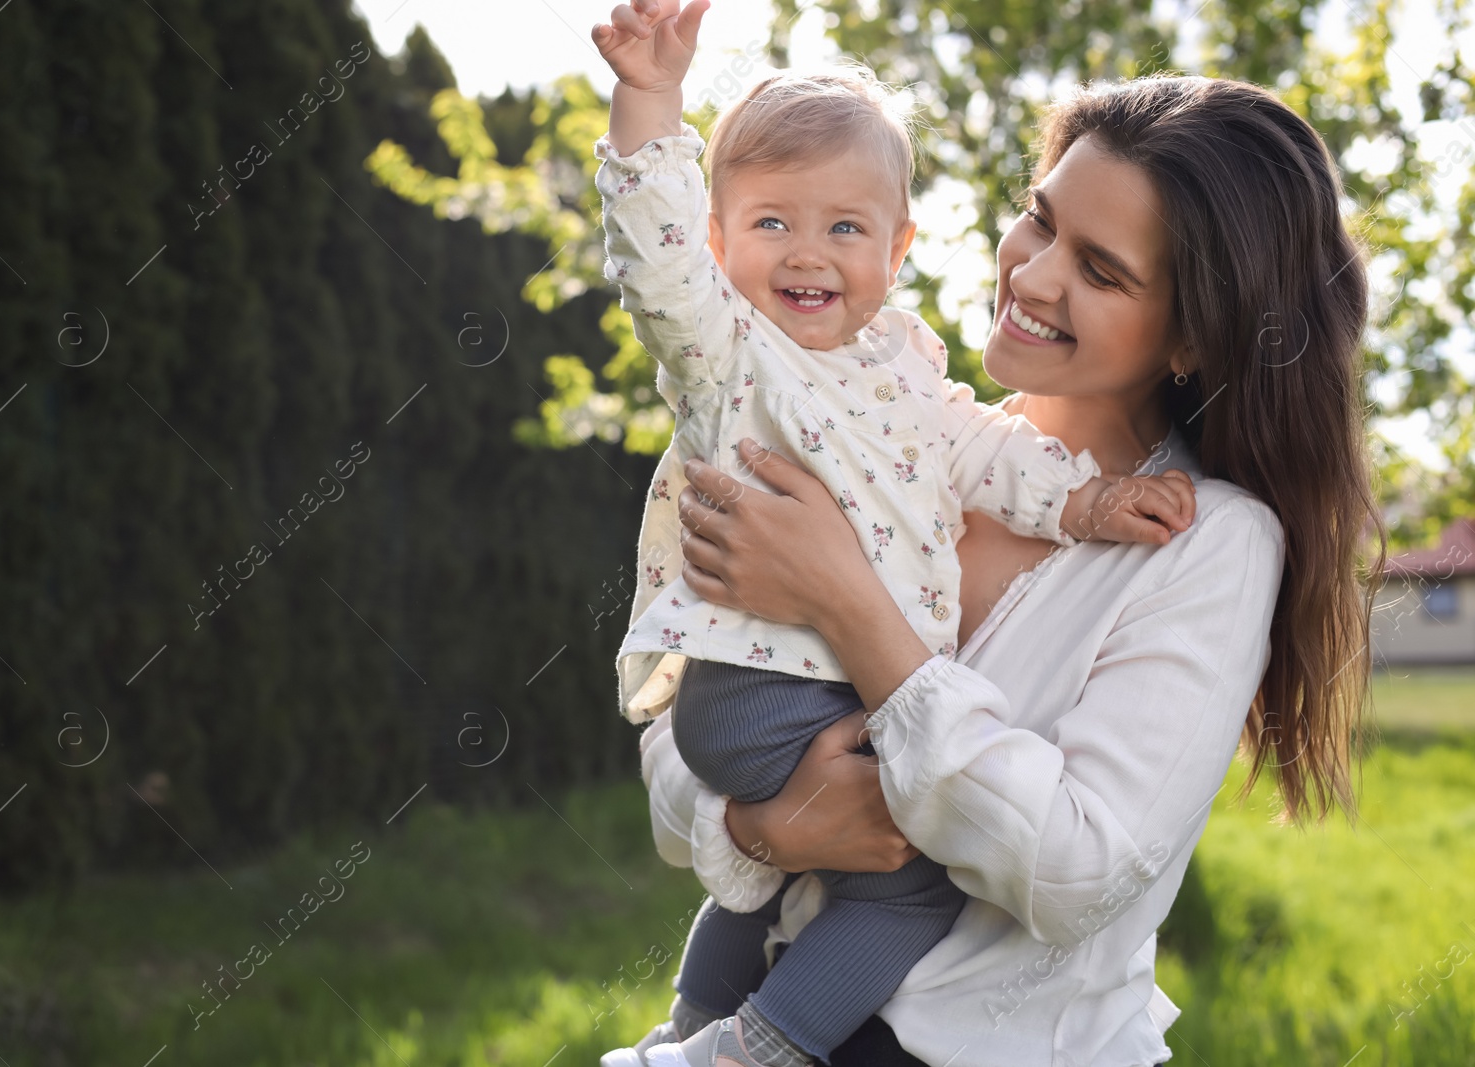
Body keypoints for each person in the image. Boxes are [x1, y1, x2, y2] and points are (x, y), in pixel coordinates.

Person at [637, 72, 1386, 1066]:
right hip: (747, 1019)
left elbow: (1077, 869)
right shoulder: (893, 442)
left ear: (1195, 335)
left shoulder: (1211, 540)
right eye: (1038, 220)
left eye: (1101, 270)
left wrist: (847, 604)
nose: (1031, 277)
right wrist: (763, 826)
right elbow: (676, 725)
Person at [589, 2, 1197, 1065]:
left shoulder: (904, 365)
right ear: (718, 239)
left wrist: (1087, 504)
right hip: (759, 678)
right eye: (771, 221)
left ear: (898, 246)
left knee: (806, 863)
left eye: (846, 226)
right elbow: (653, 257)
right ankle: (757, 1045)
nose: (808, 253)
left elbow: (978, 451)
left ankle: (693, 1018)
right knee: (914, 881)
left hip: (803, 679)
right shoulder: (729, 356)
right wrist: (649, 98)